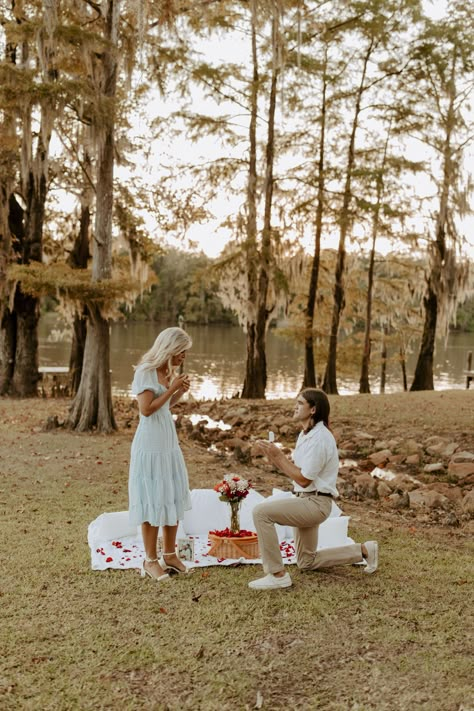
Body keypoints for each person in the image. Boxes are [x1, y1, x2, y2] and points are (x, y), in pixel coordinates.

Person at [249, 389, 378, 590]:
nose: (295, 406)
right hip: (305, 499)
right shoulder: (306, 434)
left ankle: (277, 574)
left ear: (313, 409)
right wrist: (274, 457)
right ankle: (363, 550)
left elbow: (303, 479)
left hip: (315, 503)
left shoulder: (320, 438)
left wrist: (279, 457)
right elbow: (298, 473)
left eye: (300, 403)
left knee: (261, 512)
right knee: (306, 562)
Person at [128, 327, 193, 581]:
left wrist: (178, 392)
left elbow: (164, 406)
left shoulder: (168, 372)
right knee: (152, 498)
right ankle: (150, 560)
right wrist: (171, 388)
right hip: (150, 444)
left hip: (168, 443)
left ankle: (170, 555)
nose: (184, 357)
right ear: (170, 348)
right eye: (182, 352)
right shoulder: (145, 371)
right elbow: (146, 410)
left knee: (171, 495)